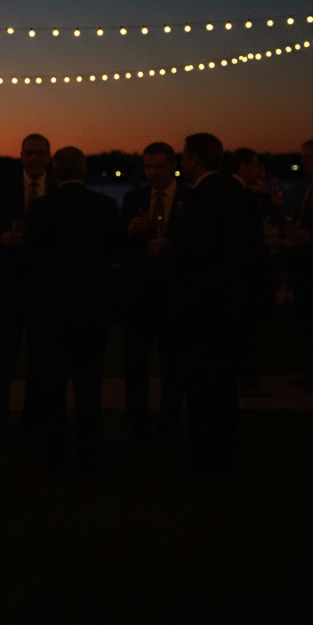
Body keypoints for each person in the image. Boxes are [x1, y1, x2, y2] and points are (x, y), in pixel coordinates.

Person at [24, 147, 121, 470]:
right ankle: (88, 454)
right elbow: (114, 254)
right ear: (85, 172)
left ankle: (52, 454)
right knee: (88, 388)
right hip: (92, 309)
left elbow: (32, 260)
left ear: (55, 173)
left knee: (52, 389)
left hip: (52, 312)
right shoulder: (105, 206)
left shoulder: (39, 209)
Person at [172, 133, 259, 471]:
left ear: (194, 159)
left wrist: (162, 251)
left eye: (183, 157)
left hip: (204, 308)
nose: (181, 163)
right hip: (229, 304)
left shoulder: (203, 196)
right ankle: (224, 452)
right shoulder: (234, 192)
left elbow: (192, 254)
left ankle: (206, 456)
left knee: (203, 386)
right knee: (222, 386)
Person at [0, 133, 57, 439]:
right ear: (21, 155)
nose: (34, 159)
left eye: (40, 153)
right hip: (10, 283)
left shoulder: (57, 189)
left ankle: (33, 421)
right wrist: (1, 238)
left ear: (48, 157)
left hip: (45, 285)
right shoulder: (4, 187)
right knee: (4, 356)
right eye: (29, 153)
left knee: (40, 358)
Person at [119, 142, 190, 441]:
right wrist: (130, 231)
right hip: (139, 296)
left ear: (171, 165)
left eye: (158, 166)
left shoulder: (191, 198)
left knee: (173, 367)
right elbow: (120, 247)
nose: (152, 172)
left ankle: (168, 427)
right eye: (148, 166)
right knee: (135, 367)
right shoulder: (134, 198)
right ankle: (138, 428)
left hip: (175, 295)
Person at [228, 148, 273, 396]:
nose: (260, 170)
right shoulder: (241, 194)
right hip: (246, 276)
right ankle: (250, 381)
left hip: (241, 276)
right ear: (243, 167)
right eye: (256, 165)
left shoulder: (241, 192)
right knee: (248, 331)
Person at [289, 139, 313, 390]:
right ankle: (310, 372)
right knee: (306, 322)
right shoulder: (309, 185)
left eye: (308, 156)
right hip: (306, 267)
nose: (303, 161)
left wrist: (308, 236)